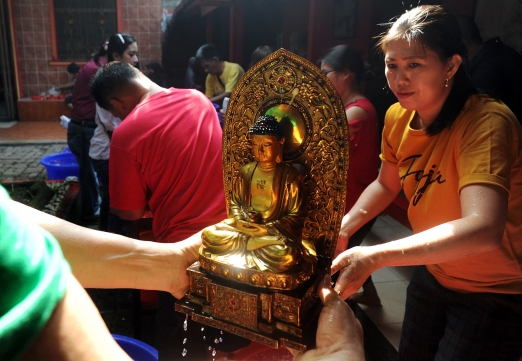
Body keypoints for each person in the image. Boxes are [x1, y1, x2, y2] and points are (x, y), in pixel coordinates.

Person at [332, 5, 522, 361]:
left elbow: (484, 228)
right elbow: (386, 184)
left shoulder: (486, 123)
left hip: (498, 289)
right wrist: (344, 227)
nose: (399, 79)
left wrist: (376, 256)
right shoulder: (398, 116)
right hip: (437, 270)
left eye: (414, 65)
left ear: (452, 65)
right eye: (392, 65)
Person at [3, 190, 365, 361]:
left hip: (279, 240)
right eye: (257, 146)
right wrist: (339, 353)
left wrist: (172, 261)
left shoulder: (288, 175)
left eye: (269, 146)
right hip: (252, 238)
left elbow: (16, 228)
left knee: (284, 249)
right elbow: (243, 214)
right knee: (220, 234)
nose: (263, 153)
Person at [89, 61, 243, 360]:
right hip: (232, 240)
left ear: (115, 103)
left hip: (180, 254)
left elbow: (129, 213)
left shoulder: (127, 134)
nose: (119, 116)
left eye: (115, 112)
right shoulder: (199, 100)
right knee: (224, 339)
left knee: (177, 344)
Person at [200, 115, 316, 275]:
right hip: (246, 229)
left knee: (287, 255)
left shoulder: (290, 177)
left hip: (273, 234)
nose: (260, 151)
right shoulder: (246, 171)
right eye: (255, 145)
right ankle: (255, 243)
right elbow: (235, 203)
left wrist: (266, 229)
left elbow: (296, 215)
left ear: (280, 142)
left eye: (266, 144)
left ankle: (254, 244)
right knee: (208, 235)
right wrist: (240, 222)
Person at [319, 44, 381, 306]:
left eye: (326, 73)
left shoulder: (357, 110)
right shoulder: (348, 106)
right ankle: (373, 299)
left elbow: (321, 148)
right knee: (349, 250)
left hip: (356, 202)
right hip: (352, 197)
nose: (322, 80)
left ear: (345, 74)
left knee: (335, 258)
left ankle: (333, 311)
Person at [456, 15, 522, 182]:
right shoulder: (498, 53)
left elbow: (483, 130)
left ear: (457, 43)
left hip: (519, 167)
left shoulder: (486, 73)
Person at [89, 33, 139, 232]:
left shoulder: (123, 80)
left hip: (110, 151)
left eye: (137, 54)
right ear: (117, 56)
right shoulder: (107, 83)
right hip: (105, 153)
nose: (136, 59)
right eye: (131, 54)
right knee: (114, 202)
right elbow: (111, 123)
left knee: (110, 200)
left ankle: (104, 238)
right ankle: (110, 240)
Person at [67, 42, 107, 223]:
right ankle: (89, 214)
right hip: (84, 128)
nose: (134, 60)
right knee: (88, 173)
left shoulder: (95, 64)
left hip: (82, 126)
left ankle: (92, 210)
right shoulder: (98, 70)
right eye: (131, 54)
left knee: (88, 172)